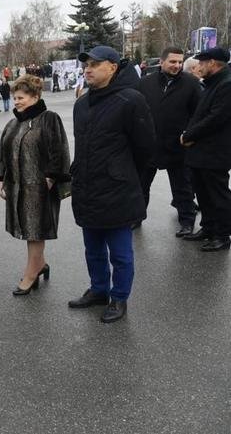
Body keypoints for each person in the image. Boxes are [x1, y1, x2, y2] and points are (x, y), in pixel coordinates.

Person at [67, 46, 155, 323]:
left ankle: (119, 298)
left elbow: (145, 148)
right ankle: (99, 290)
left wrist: (122, 174)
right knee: (93, 250)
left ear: (113, 67)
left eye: (95, 64)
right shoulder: (82, 103)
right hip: (88, 189)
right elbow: (82, 147)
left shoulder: (130, 100)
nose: (88, 69)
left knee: (120, 254)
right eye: (86, 65)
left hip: (118, 191)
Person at [0, 75, 71, 295]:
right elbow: (2, 152)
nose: (16, 102)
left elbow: (59, 149)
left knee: (35, 231)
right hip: (17, 187)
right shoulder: (13, 122)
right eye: (15, 98)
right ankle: (40, 264)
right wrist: (0, 178)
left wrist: (51, 178)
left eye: (21, 97)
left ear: (35, 97)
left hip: (40, 188)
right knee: (28, 229)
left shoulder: (48, 119)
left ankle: (31, 272)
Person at [136, 47, 201, 236]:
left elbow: (198, 113)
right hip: (149, 146)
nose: (177, 65)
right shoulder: (145, 83)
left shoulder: (191, 83)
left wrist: (189, 134)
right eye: (173, 61)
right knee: (141, 186)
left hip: (178, 146)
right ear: (162, 62)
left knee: (183, 189)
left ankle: (187, 222)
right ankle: (136, 218)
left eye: (180, 62)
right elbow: (136, 111)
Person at [181, 47, 231, 251]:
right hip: (201, 151)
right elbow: (201, 114)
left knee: (217, 195)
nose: (198, 66)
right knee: (203, 193)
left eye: (202, 62)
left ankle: (223, 235)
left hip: (215, 153)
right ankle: (208, 228)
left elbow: (215, 118)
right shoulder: (212, 83)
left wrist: (189, 135)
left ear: (212, 63)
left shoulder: (226, 84)